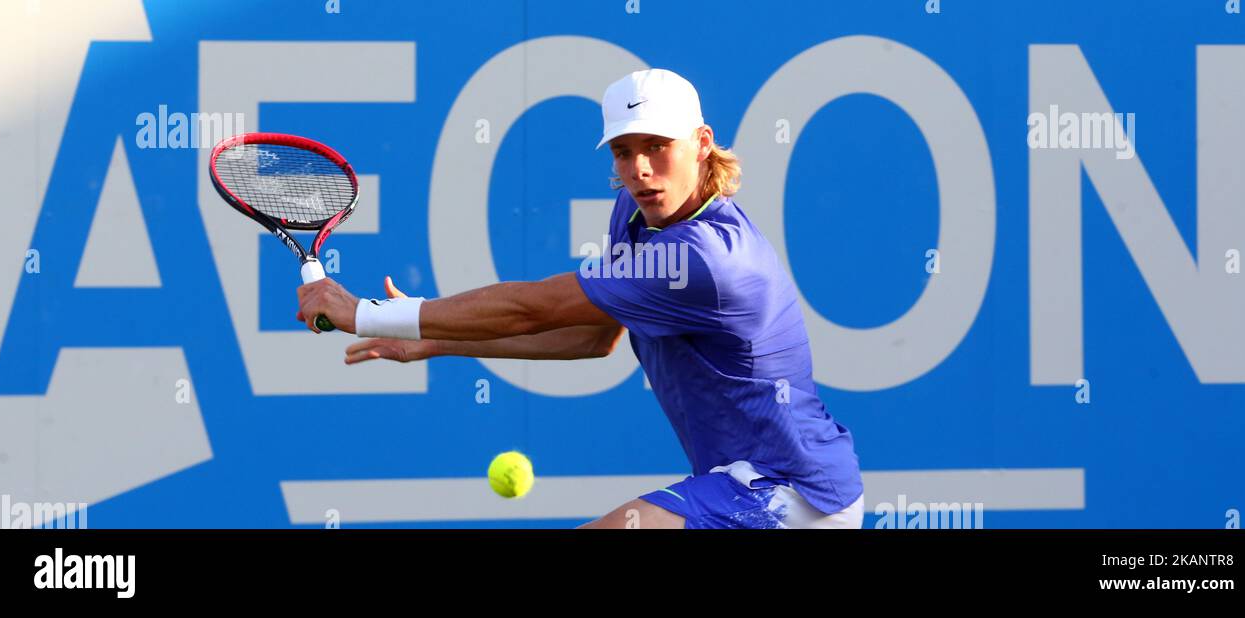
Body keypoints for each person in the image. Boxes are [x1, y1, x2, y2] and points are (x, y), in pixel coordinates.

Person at [296, 68, 864, 528]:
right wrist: (437, 338)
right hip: (744, 482)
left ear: (703, 144)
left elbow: (534, 306)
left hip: (795, 495)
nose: (639, 169)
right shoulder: (639, 213)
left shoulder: (708, 259)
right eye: (622, 151)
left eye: (658, 147)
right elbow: (592, 337)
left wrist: (369, 313)